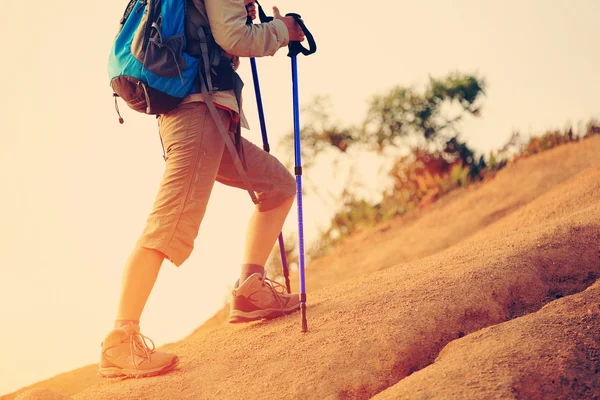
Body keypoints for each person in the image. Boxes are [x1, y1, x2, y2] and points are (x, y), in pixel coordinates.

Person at [98, 0, 306, 378]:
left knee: (276, 186)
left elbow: (217, 45)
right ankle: (119, 341)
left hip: (207, 117)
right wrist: (283, 31)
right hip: (198, 117)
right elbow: (235, 38)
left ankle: (250, 292)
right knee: (168, 226)